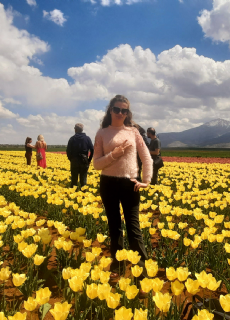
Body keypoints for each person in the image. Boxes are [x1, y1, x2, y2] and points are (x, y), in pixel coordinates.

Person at [93, 94, 153, 279]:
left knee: (133, 228)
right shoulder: (102, 133)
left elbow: (147, 157)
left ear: (128, 113)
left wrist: (147, 180)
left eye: (124, 110)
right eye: (117, 109)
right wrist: (114, 154)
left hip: (130, 184)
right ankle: (117, 268)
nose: (120, 113)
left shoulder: (134, 132)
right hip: (108, 183)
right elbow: (96, 164)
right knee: (114, 227)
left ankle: (141, 273)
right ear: (110, 110)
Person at [66, 123, 94, 188]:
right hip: (84, 161)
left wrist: (71, 159)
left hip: (74, 160)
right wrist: (89, 160)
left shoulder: (72, 139)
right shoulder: (87, 138)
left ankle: (73, 194)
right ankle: (84, 195)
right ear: (82, 130)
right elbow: (92, 149)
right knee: (83, 178)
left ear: (75, 130)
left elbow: (68, 151)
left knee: (74, 179)